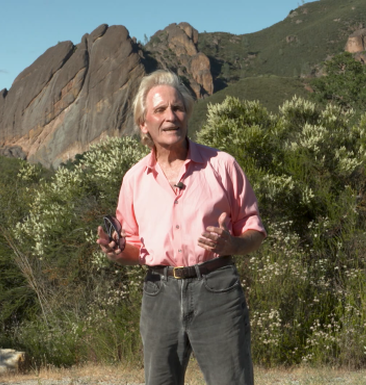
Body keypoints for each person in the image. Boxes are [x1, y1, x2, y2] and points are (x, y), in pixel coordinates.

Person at [97, 70, 266, 385]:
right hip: (159, 292)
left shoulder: (222, 165)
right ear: (143, 124)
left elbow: (254, 230)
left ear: (187, 114)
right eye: (159, 110)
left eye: (177, 108)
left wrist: (234, 245)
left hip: (217, 289)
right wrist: (116, 251)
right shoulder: (133, 179)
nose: (170, 116)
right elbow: (134, 249)